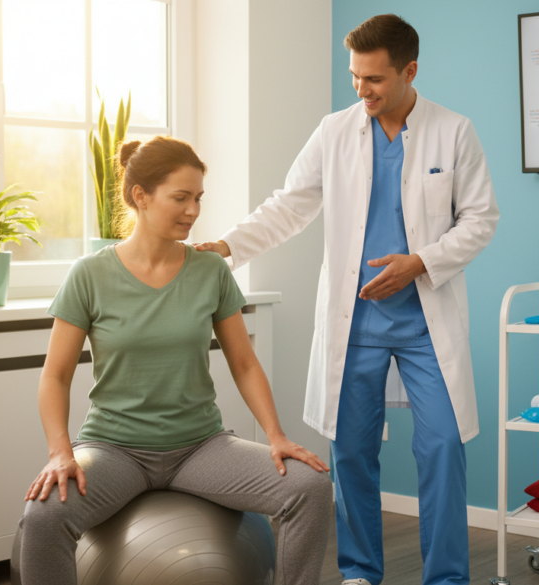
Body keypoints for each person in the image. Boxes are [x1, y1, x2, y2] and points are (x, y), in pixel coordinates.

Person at [194, 14, 499, 585]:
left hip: (424, 324)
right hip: (354, 320)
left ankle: (448, 578)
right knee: (352, 453)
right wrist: (230, 246)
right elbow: (289, 205)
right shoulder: (335, 130)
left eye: (375, 79)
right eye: (355, 77)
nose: (362, 90)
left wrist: (420, 262)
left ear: (410, 71)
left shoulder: (454, 132)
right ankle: (360, 572)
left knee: (442, 449)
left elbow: (481, 219)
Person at [17, 136, 332, 585]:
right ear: (140, 196)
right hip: (114, 447)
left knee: (310, 487)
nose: (193, 211)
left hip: (199, 446)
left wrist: (276, 436)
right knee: (44, 515)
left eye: (198, 198)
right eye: (180, 198)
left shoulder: (210, 271)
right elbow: (56, 374)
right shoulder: (89, 274)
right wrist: (59, 452)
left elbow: (244, 363)